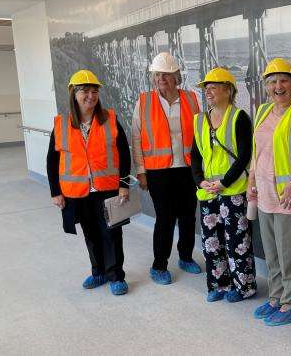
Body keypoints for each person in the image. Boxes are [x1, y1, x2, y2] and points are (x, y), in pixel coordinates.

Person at [46, 70, 132, 296]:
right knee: (91, 234)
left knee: (112, 233)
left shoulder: (110, 119)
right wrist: (56, 191)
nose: (90, 96)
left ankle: (116, 276)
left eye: (94, 91)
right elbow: (52, 160)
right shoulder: (61, 124)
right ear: (74, 94)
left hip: (107, 188)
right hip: (78, 191)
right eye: (84, 91)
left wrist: (124, 183)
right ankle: (98, 272)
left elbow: (124, 153)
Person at [248, 58, 291, 326]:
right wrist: (252, 179)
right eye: (273, 82)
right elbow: (258, 150)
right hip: (264, 194)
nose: (279, 86)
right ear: (266, 87)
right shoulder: (264, 110)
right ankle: (276, 297)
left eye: (284, 80)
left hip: (289, 196)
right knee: (273, 252)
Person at [132, 52, 202, 285]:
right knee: (165, 218)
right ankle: (159, 265)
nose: (162, 78)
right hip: (158, 171)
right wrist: (141, 170)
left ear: (176, 76)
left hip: (187, 168)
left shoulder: (191, 99)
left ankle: (185, 257)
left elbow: (200, 135)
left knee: (188, 216)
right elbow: (136, 137)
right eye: (158, 74)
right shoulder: (144, 101)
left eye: (167, 74)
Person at [191, 67, 257, 303]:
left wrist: (224, 182)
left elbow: (245, 155)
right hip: (207, 192)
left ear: (228, 90)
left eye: (214, 87)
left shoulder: (239, 117)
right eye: (206, 88)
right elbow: (195, 155)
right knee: (211, 242)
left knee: (237, 241)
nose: (208, 91)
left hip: (233, 190)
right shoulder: (199, 120)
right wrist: (200, 181)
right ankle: (219, 284)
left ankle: (243, 287)